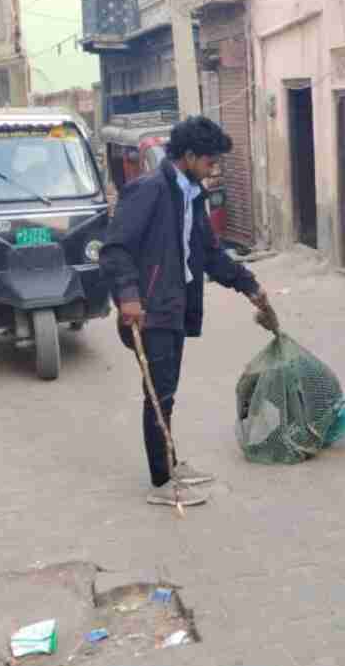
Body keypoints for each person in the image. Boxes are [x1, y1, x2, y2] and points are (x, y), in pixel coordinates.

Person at [100, 116, 269, 507]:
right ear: (189, 156)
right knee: (158, 395)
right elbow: (115, 249)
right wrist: (129, 296)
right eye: (210, 162)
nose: (213, 169)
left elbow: (209, 253)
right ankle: (162, 482)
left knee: (167, 393)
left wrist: (249, 285)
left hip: (175, 306)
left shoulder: (192, 194)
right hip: (148, 310)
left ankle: (170, 463)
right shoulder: (149, 190)